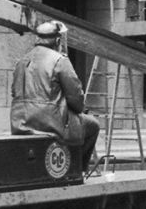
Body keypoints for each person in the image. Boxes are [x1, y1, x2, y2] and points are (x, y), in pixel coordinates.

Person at [10, 21, 100, 169]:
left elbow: (14, 92)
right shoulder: (59, 60)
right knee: (93, 125)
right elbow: (76, 99)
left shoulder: (21, 61)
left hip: (21, 123)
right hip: (50, 123)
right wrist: (78, 109)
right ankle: (77, 170)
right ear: (58, 40)